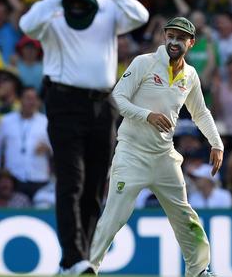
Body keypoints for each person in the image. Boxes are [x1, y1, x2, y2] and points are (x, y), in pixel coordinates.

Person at [19, 0, 149, 273]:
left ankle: (84, 260)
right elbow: (26, 25)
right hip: (64, 101)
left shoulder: (106, 8)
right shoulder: (51, 13)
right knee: (71, 181)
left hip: (103, 103)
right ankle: (72, 258)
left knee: (94, 184)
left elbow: (141, 16)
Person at [88, 17, 224, 277]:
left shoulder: (190, 75)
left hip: (163, 156)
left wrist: (216, 143)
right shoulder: (144, 63)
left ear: (191, 43)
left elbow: (201, 113)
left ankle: (198, 271)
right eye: (170, 35)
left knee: (184, 216)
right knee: (113, 217)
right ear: (164, 37)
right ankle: (88, 268)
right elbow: (117, 97)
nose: (174, 41)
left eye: (180, 38)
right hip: (132, 153)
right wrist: (146, 115)